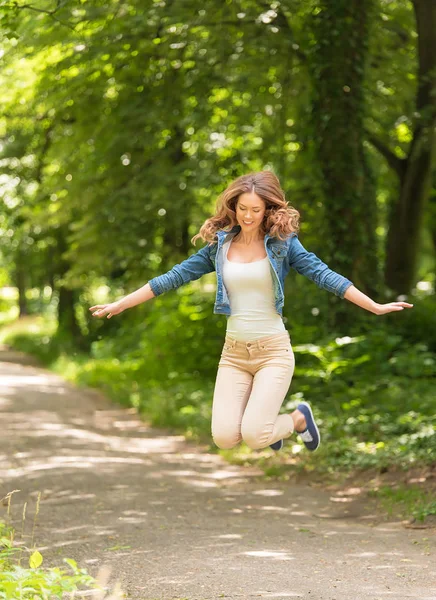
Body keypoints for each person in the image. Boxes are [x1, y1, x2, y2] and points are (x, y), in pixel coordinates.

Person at [90, 171, 413, 453]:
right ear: (233, 207)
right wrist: (121, 303)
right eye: (242, 208)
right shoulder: (220, 246)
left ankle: (298, 418)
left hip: (272, 351)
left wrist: (373, 305)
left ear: (268, 209)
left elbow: (323, 274)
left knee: (255, 436)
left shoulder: (283, 244)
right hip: (233, 354)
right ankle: (264, 425)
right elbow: (173, 277)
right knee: (225, 438)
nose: (247, 215)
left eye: (255, 210)